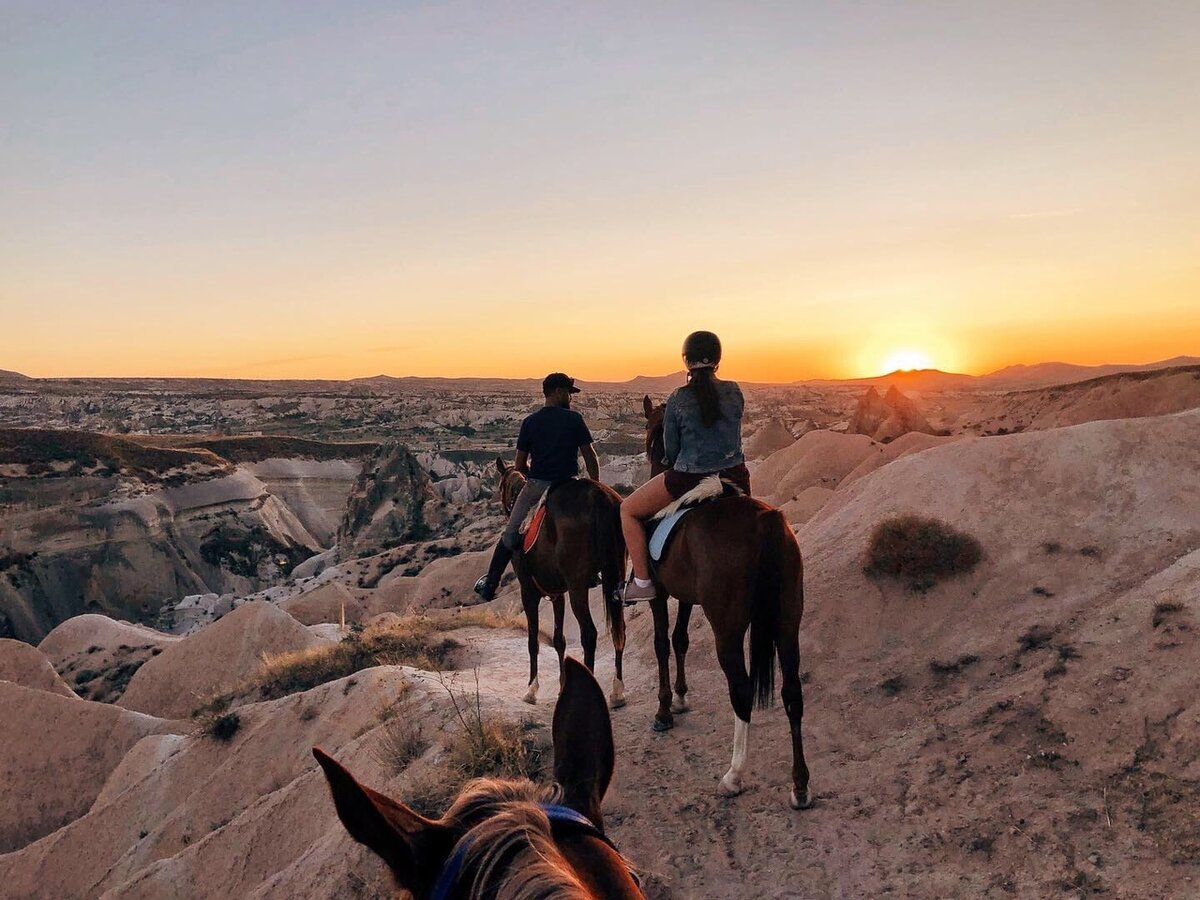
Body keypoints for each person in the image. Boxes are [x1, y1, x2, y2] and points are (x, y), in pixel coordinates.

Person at [619, 331, 750, 602]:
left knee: (628, 510)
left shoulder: (679, 398)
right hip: (735, 477)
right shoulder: (735, 391)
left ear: (686, 361)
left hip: (689, 478)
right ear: (717, 360)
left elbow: (672, 450)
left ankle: (642, 583)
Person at [473, 372, 601, 601]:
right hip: (569, 484)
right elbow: (590, 456)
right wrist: (594, 485)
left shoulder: (530, 422)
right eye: (569, 394)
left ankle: (490, 583)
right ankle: (595, 572)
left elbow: (520, 464)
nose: (571, 399)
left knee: (510, 534)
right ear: (559, 392)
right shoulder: (574, 419)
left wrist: (534, 474)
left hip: (537, 486)